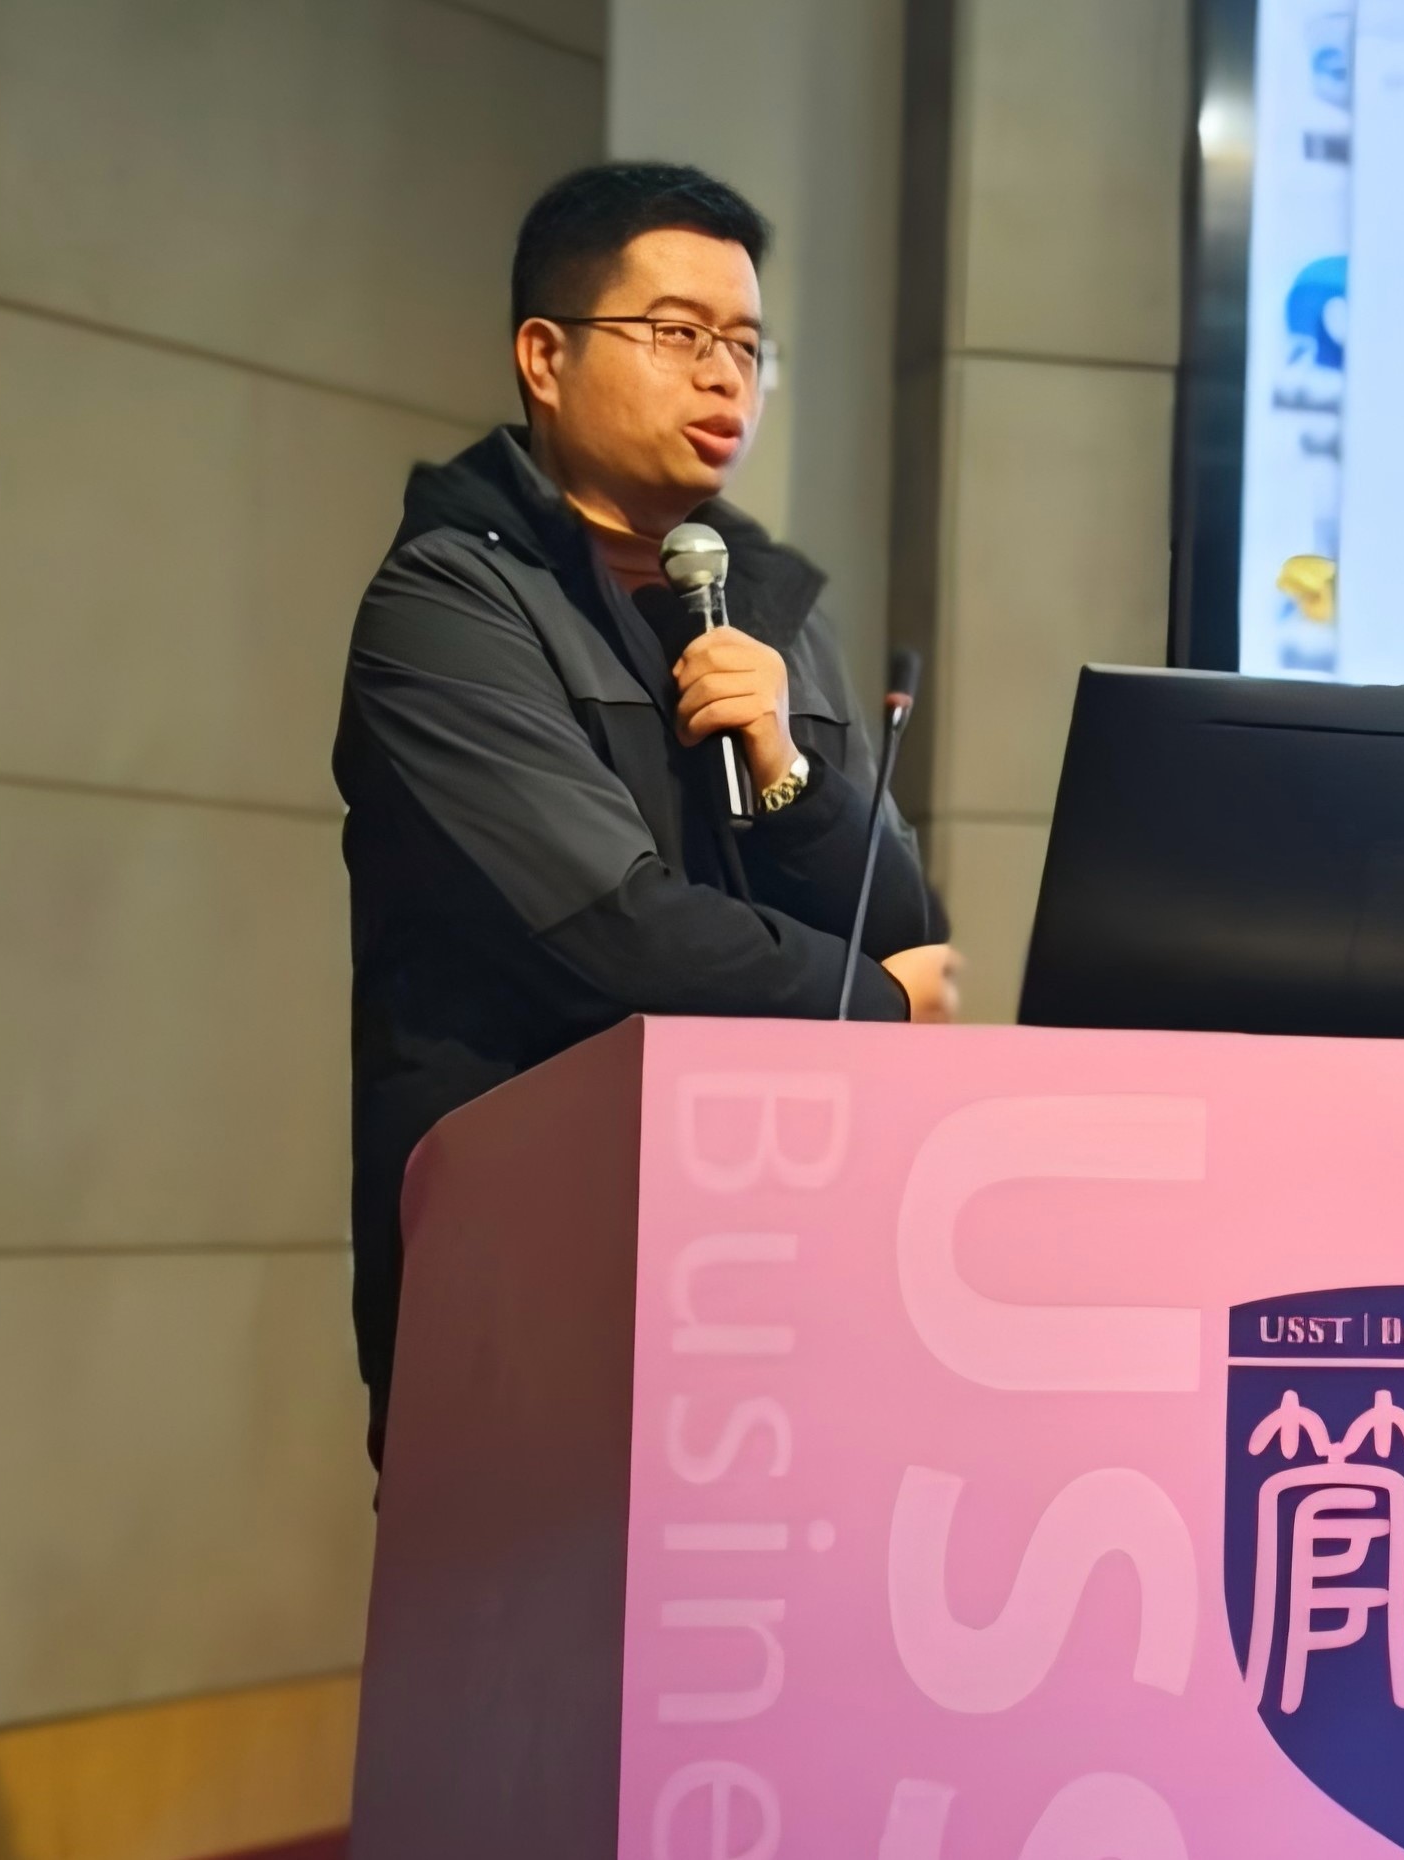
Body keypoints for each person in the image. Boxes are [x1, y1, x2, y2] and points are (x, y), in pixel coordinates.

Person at [334, 162, 960, 1465]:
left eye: (748, 346)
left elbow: (900, 912)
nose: (725, 378)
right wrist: (873, 1007)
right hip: (533, 1266)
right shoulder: (450, 606)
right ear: (545, 356)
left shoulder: (772, 612)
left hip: (780, 1266)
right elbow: (604, 931)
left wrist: (788, 774)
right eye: (678, 334)